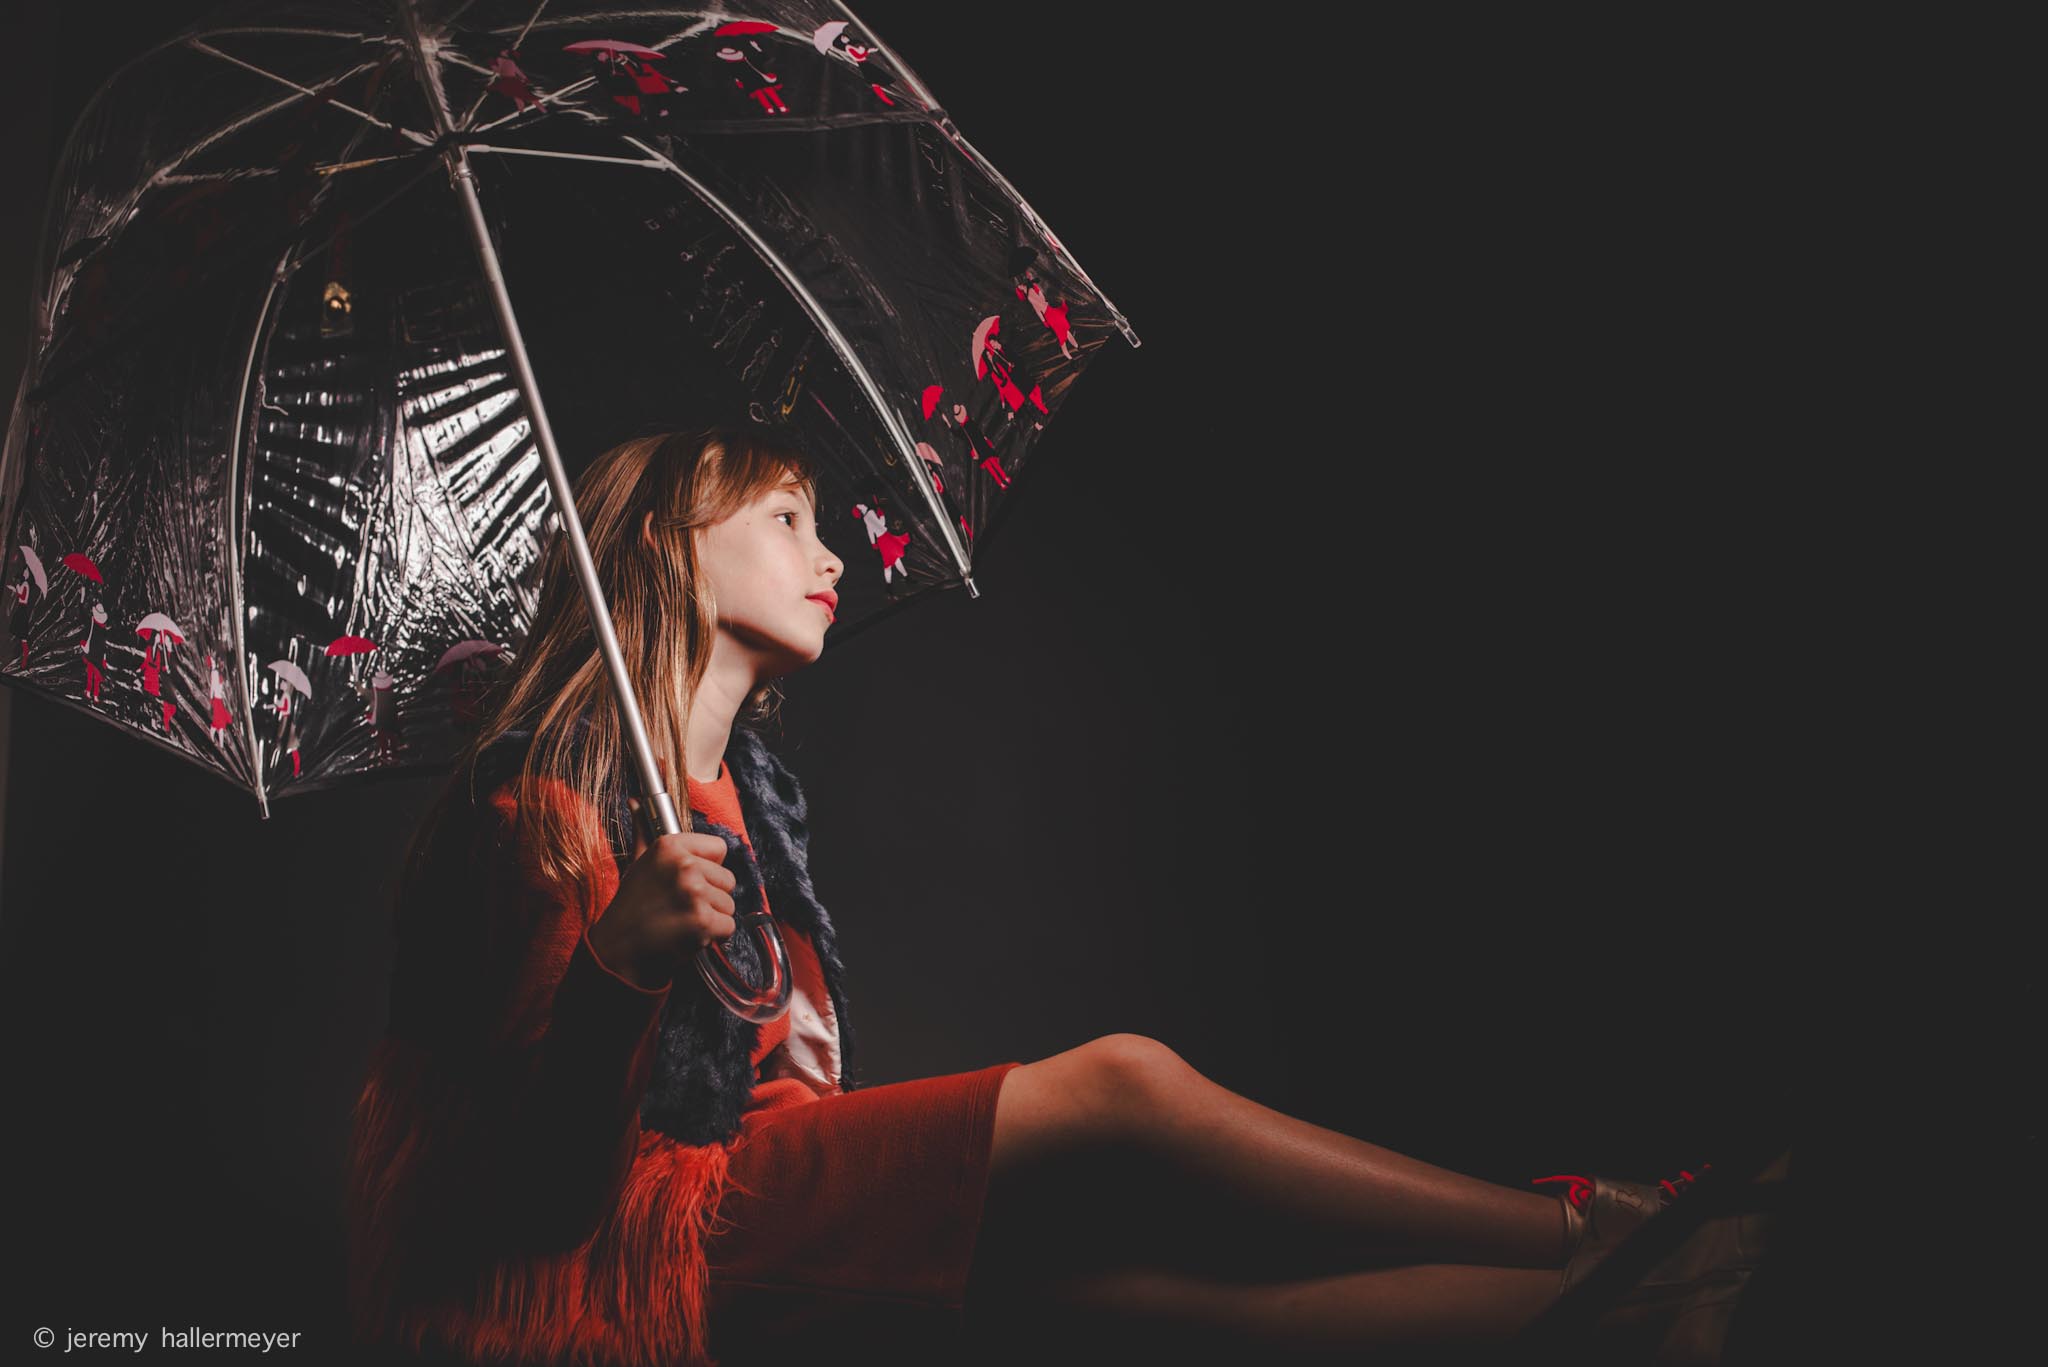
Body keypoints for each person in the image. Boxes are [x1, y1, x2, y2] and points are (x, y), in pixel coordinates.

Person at [344, 425, 1771, 1367]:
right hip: (673, 1257)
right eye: (787, 519)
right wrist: (616, 963)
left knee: (1169, 1308)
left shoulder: (750, 810)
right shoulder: (538, 815)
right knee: (1125, 1090)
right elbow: (530, 1197)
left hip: (796, 1209)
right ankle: (1600, 1233)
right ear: (665, 545)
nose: (832, 554)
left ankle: (1667, 1315)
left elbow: (794, 1096)